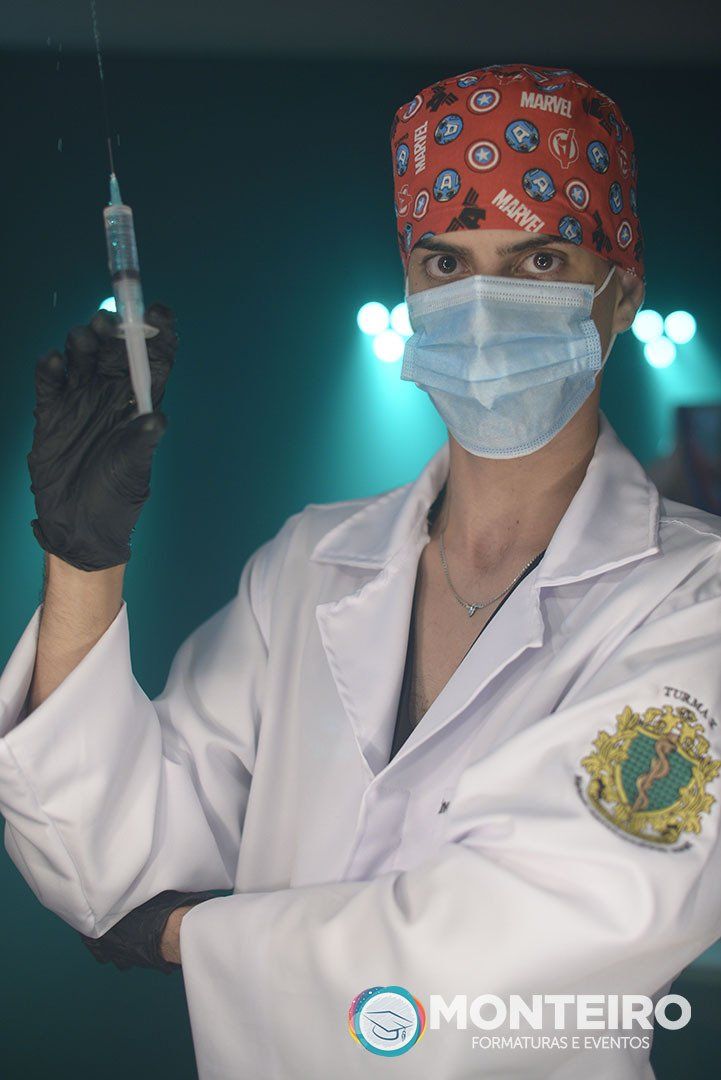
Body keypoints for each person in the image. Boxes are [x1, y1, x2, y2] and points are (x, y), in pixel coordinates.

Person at [0, 62, 720, 1079]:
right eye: (445, 263)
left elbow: (530, 942)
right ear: (410, 290)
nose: (483, 305)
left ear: (621, 293)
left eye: (539, 258)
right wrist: (83, 561)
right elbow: (108, 860)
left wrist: (186, 938)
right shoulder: (308, 566)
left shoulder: (693, 604)